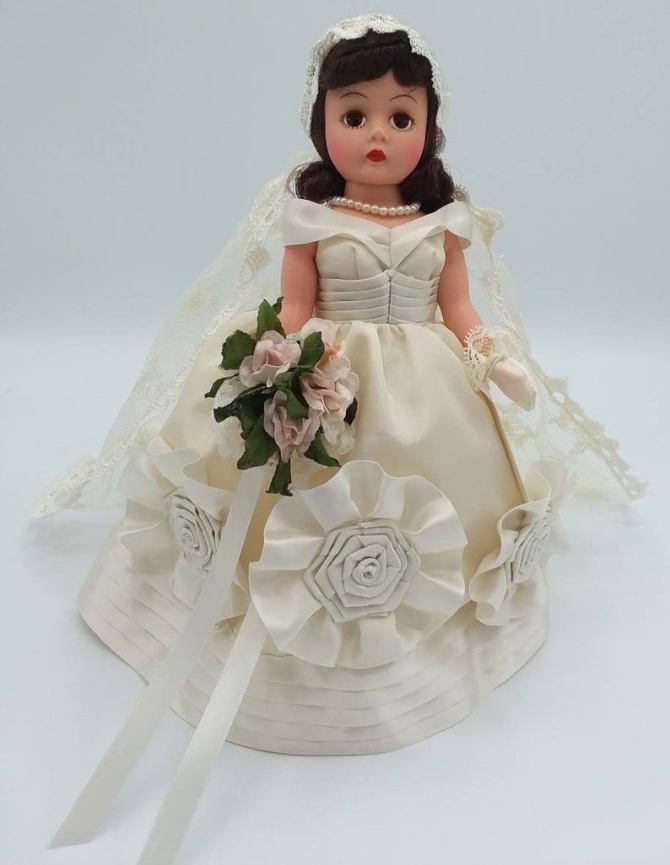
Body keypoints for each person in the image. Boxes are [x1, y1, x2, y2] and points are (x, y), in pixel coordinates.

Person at [41, 14, 646, 865]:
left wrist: (493, 360)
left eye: (401, 116)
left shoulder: (445, 223)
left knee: (448, 491)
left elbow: (460, 310)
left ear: (428, 126)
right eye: (354, 113)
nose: (376, 133)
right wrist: (275, 363)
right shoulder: (313, 218)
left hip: (429, 391)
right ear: (322, 121)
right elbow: (294, 306)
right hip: (328, 378)